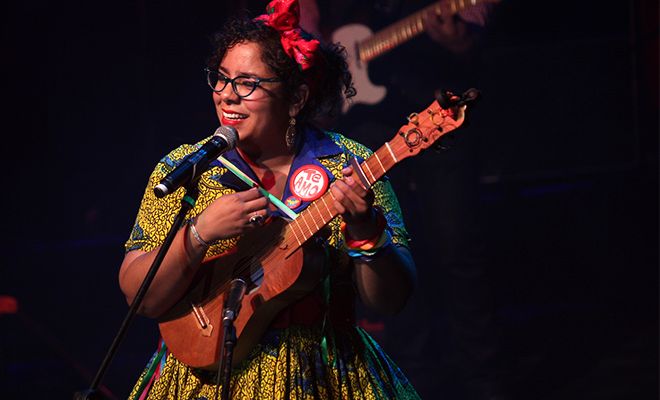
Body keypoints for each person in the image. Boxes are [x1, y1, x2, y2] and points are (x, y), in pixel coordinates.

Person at [118, 0, 422, 398]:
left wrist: (366, 231)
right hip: (203, 377)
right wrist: (198, 233)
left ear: (295, 99)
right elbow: (139, 296)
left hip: (323, 374)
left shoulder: (350, 165)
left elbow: (391, 301)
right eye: (221, 79)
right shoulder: (187, 168)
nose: (227, 96)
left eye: (247, 83)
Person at [299, 1, 509, 399]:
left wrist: (464, 42)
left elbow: (478, 32)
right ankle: (411, 381)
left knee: (458, 249)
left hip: (437, 112)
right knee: (387, 250)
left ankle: (484, 383)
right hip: (366, 122)